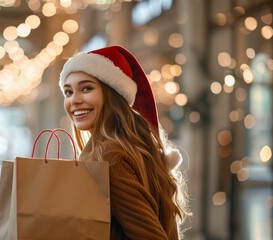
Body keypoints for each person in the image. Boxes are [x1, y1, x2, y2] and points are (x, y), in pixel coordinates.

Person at [59, 45, 191, 239]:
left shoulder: (111, 155)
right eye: (68, 92)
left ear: (112, 94)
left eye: (86, 88)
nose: (74, 100)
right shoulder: (123, 147)